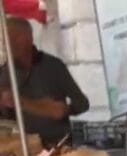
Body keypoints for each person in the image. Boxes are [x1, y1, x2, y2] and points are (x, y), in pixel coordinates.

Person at [0, 17, 89, 148]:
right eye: (5, 40)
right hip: (27, 147)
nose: (8, 45)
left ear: (28, 38)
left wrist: (65, 111)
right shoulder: (5, 73)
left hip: (59, 144)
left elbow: (82, 104)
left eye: (13, 38)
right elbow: (7, 117)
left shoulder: (54, 66)